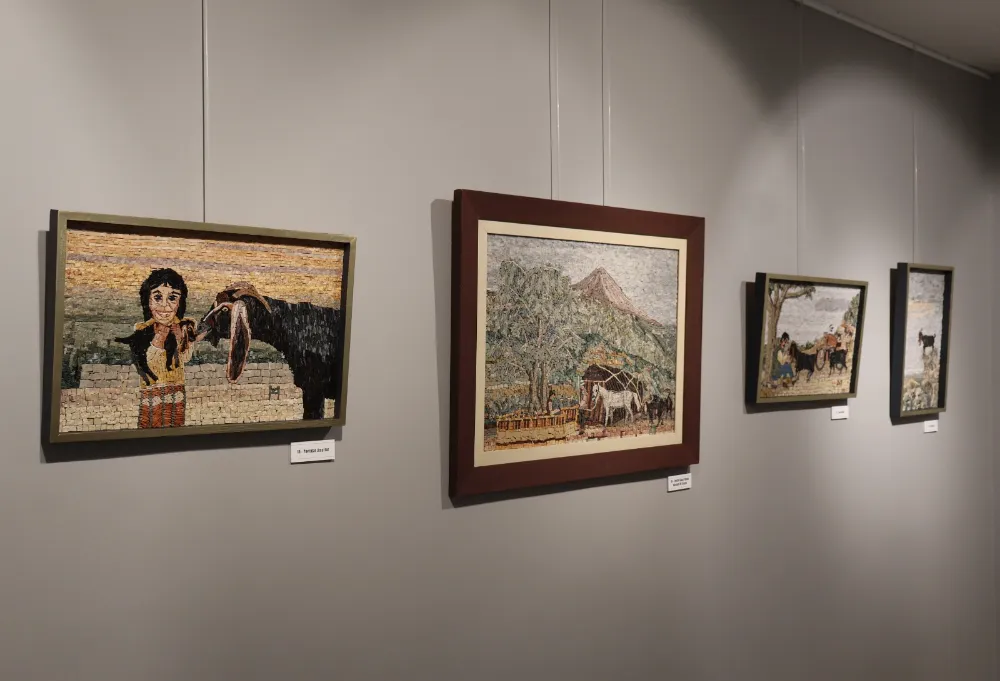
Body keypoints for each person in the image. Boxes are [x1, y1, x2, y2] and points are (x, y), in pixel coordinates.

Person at [115, 268, 207, 428]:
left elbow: (185, 358)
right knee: (150, 424)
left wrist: (182, 339)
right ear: (148, 301)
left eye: (172, 298)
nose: (164, 306)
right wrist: (159, 338)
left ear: (180, 302)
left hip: (176, 389)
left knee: (175, 424)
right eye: (157, 297)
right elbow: (149, 362)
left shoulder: (182, 327)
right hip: (151, 391)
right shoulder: (143, 330)